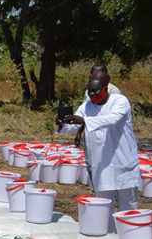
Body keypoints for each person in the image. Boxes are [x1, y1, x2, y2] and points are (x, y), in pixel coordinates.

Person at [58, 67, 141, 212]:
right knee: (103, 207)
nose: (92, 95)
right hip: (102, 166)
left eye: (95, 91)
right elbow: (74, 124)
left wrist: (84, 120)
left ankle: (130, 233)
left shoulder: (120, 101)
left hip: (123, 162)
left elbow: (113, 119)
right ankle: (107, 233)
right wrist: (63, 124)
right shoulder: (87, 105)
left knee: (128, 207)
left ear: (105, 88)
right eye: (89, 92)